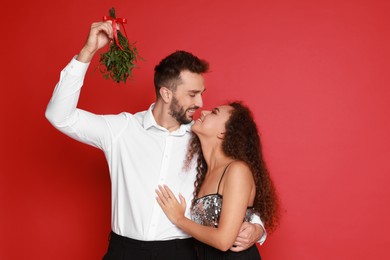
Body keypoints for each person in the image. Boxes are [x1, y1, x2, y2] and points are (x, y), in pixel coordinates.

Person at [45, 20, 266, 259]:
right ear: (166, 93)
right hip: (123, 251)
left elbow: (235, 186)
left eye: (202, 94)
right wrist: (87, 52)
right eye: (192, 94)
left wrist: (257, 228)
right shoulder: (122, 129)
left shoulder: (203, 137)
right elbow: (59, 115)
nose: (201, 104)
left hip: (181, 252)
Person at [156, 102, 280, 259]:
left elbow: (223, 241)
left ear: (223, 133)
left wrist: (180, 219)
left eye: (214, 112)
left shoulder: (237, 170)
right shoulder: (202, 170)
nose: (203, 112)